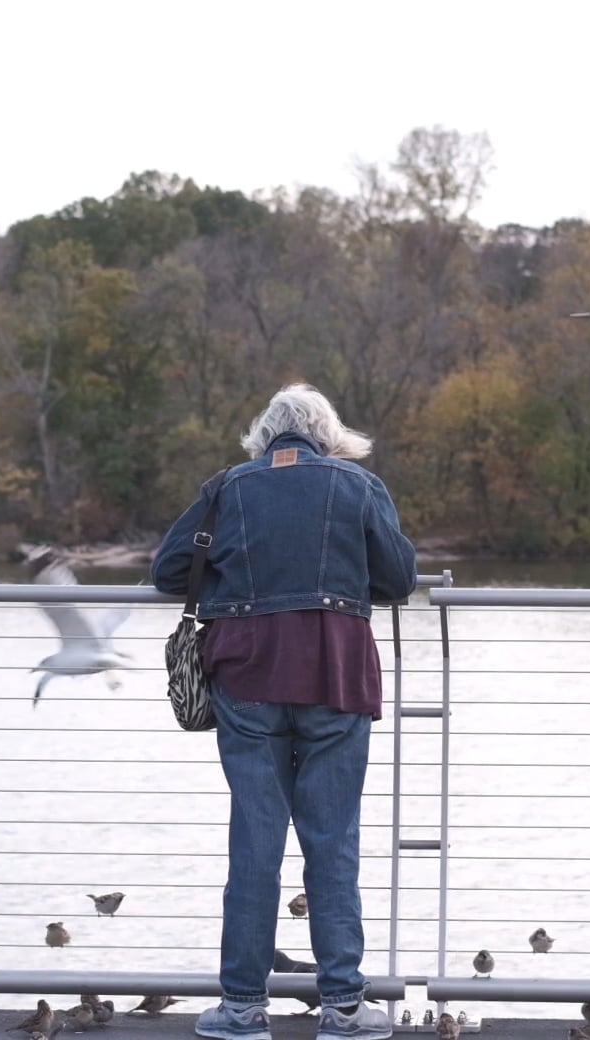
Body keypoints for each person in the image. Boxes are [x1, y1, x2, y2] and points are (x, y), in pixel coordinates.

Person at [152, 383, 418, 1040]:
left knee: (254, 845)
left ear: (264, 437)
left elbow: (168, 571)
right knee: (332, 844)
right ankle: (344, 1008)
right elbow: (398, 579)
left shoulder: (227, 487)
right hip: (335, 675)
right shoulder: (359, 487)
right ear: (328, 436)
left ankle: (243, 1009)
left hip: (247, 676)